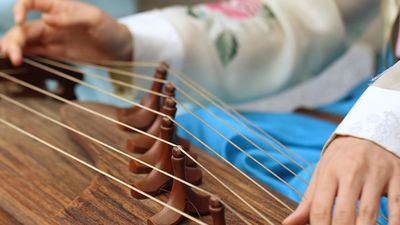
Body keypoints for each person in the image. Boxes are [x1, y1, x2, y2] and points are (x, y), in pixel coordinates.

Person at [0, 0, 398, 224]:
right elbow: (310, 15)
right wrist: (131, 44)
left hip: (379, 132)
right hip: (349, 123)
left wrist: (385, 122)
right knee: (192, 132)